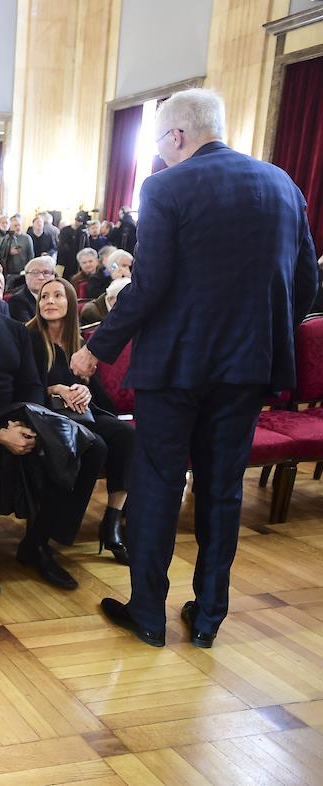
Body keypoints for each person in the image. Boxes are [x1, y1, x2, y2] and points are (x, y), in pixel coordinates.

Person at [71, 88, 318, 649]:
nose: (158, 155)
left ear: (176, 136)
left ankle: (149, 614)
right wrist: (266, 334)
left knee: (157, 483)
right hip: (247, 367)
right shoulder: (284, 185)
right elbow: (306, 282)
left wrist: (96, 349)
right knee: (222, 489)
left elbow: (150, 285)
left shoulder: (165, 186)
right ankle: (208, 617)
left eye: (158, 143)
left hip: (174, 367)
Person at [0, 251, 105, 596]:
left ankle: (38, 544)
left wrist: (29, 424)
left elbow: (31, 386)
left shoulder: (14, 330)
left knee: (89, 445)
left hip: (15, 414)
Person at [27, 278, 133, 565]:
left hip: (83, 412)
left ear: (71, 302)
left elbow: (100, 398)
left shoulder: (81, 343)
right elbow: (26, 388)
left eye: (57, 295)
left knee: (126, 435)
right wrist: (57, 389)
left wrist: (84, 387)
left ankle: (111, 523)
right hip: (48, 415)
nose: (49, 301)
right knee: (95, 445)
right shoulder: (31, 339)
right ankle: (59, 531)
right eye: (44, 296)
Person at [9, 255, 57, 322]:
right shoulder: (17, 301)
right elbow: (28, 329)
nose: (41, 277)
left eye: (46, 273)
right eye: (35, 272)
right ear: (26, 277)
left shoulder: (60, 297)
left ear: (53, 276)